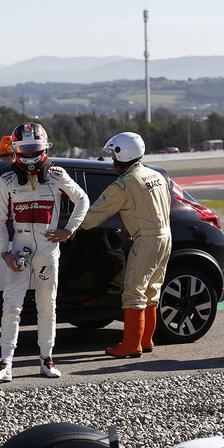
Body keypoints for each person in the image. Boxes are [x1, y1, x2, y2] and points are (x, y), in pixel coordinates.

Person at [0, 122, 89, 382]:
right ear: (16, 149)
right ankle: (5, 364)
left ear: (45, 148)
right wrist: (5, 253)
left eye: (35, 149)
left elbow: (82, 199)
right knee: (11, 306)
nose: (31, 155)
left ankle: (46, 360)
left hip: (47, 247)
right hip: (18, 248)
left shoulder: (56, 174)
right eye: (25, 149)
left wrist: (69, 230)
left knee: (47, 305)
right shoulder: (7, 179)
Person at [80, 132, 172, 358]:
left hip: (146, 240)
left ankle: (131, 345)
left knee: (133, 292)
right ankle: (146, 341)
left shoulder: (124, 184)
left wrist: (73, 227)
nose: (112, 160)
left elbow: (92, 217)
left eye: (113, 154)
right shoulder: (156, 175)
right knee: (153, 290)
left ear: (122, 154)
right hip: (166, 237)